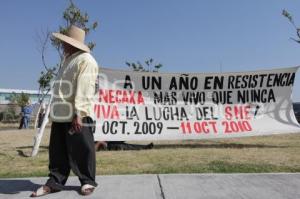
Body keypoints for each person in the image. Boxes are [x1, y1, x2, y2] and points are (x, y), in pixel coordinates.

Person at [31, 25, 99, 197]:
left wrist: (79, 114)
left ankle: (87, 181)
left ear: (73, 43)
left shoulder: (86, 60)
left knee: (82, 148)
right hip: (61, 114)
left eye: (65, 42)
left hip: (76, 114)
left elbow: (85, 88)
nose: (62, 46)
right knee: (58, 151)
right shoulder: (68, 60)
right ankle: (54, 181)